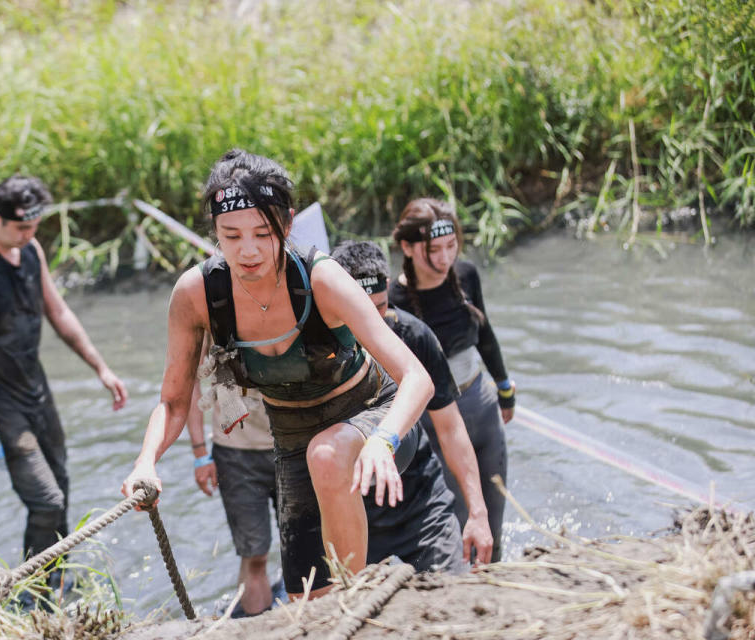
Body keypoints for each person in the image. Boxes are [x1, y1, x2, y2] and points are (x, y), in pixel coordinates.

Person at [121, 149, 434, 600]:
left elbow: (416, 378)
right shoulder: (197, 294)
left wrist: (385, 440)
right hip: (292, 440)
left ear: (287, 226)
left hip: (373, 416)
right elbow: (173, 400)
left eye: (263, 234)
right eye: (231, 236)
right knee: (308, 597)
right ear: (215, 234)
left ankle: (358, 604)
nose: (247, 251)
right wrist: (145, 461)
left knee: (327, 457)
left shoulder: (322, 279)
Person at [0, 175, 129, 576]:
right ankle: (29, 594)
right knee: (47, 501)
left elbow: (58, 312)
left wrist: (100, 367)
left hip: (37, 393)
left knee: (63, 490)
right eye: (21, 227)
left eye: (35, 226)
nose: (30, 234)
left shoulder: (30, 248)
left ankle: (58, 588)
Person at [331, 240, 493, 568]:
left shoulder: (415, 335)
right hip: (355, 512)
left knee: (453, 596)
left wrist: (477, 511)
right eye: (359, 310)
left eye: (379, 307)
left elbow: (450, 428)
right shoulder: (317, 346)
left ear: (388, 289)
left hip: (421, 504)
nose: (371, 322)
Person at [389, 198, 515, 562]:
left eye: (451, 246)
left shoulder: (466, 275)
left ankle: (497, 585)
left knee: (492, 512)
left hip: (480, 403)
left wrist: (504, 388)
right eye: (434, 250)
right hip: (434, 421)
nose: (445, 259)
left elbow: (486, 334)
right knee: (460, 517)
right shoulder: (392, 301)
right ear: (408, 248)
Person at [186, 366, 282, 616]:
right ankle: (256, 625)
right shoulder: (208, 324)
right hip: (236, 453)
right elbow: (189, 382)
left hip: (296, 441)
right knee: (254, 555)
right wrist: (199, 454)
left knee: (305, 545)